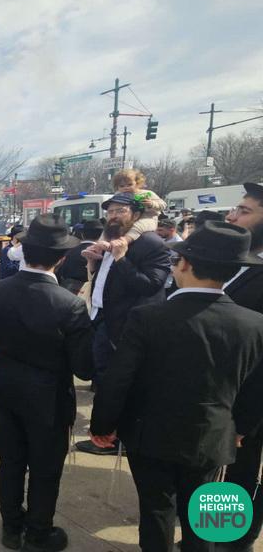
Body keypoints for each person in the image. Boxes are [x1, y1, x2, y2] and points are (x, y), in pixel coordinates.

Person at [89, 221, 263, 552]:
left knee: (156, 510)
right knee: (204, 514)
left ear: (185, 264)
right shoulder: (255, 325)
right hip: (212, 434)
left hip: (150, 434)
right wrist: (241, 428)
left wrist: (103, 425)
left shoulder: (147, 318)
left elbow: (118, 379)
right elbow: (257, 388)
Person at [0, 215, 94, 551]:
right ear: (60, 258)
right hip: (50, 397)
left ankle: (11, 527)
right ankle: (38, 533)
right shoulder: (70, 304)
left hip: (9, 389)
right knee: (45, 470)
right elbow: (85, 368)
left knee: (11, 463)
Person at [77, 192, 170, 454]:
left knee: (122, 383)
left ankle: (120, 437)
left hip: (127, 326)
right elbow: (105, 280)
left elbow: (151, 285)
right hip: (102, 318)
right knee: (105, 380)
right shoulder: (111, 240)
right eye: (110, 212)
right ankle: (107, 432)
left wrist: (121, 259)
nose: (114, 216)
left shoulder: (151, 243)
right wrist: (92, 262)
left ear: (136, 214)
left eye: (120, 211)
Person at [221, 182, 263, 552]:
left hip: (248, 398)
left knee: (241, 471)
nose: (232, 216)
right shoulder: (240, 262)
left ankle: (232, 540)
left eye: (244, 211)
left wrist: (244, 419)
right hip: (224, 393)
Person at [94, 168, 167, 253]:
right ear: (117, 187)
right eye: (122, 186)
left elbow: (163, 205)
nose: (126, 188)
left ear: (137, 183)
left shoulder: (146, 193)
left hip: (148, 216)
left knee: (139, 225)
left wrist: (152, 204)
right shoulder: (118, 195)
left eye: (129, 184)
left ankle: (125, 240)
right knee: (110, 225)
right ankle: (98, 246)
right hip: (129, 219)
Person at [56, 219, 103, 294]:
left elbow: (60, 272)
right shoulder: (101, 253)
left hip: (67, 290)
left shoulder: (69, 250)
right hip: (89, 292)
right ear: (101, 235)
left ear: (82, 234)